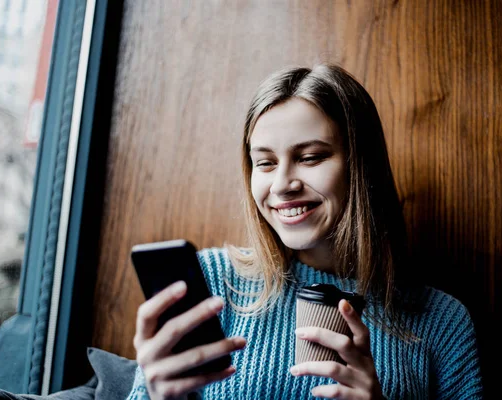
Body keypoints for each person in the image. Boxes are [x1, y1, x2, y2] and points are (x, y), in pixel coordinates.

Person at [126, 64, 483, 400]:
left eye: (310, 157)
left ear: (362, 166)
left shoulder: (443, 322)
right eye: (264, 163)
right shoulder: (212, 285)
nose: (281, 185)